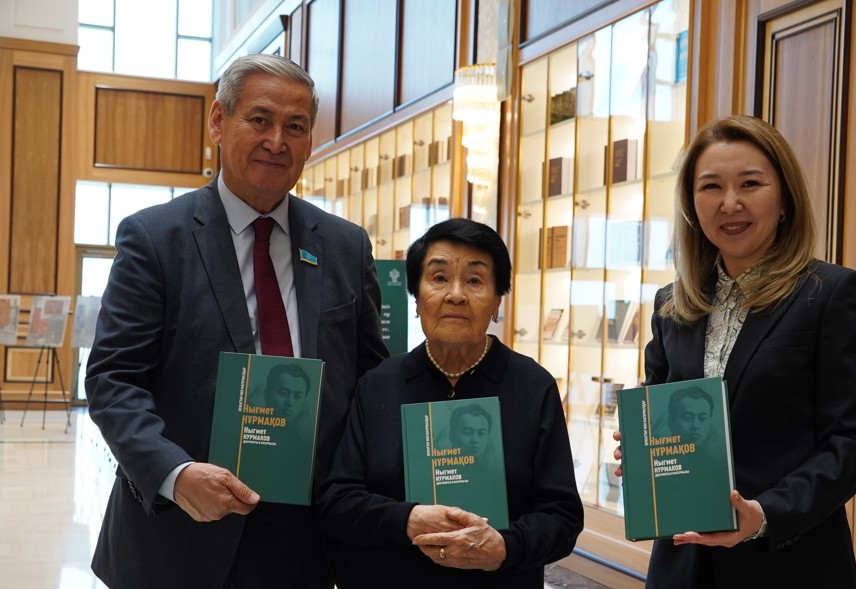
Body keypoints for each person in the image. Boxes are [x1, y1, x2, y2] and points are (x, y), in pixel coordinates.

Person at [85, 53, 388, 589]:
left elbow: (371, 382)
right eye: (260, 119)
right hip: (182, 531)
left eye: (295, 127)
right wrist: (175, 474)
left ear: (309, 142)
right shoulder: (155, 238)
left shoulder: (346, 246)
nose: (277, 141)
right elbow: (114, 379)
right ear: (219, 121)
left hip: (308, 538)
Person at [614, 115, 856, 588]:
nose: (730, 202)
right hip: (682, 561)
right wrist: (643, 451)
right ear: (691, 204)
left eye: (750, 183)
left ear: (784, 199)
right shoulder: (671, 305)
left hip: (789, 563)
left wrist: (764, 514)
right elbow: (660, 412)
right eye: (711, 186)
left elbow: (854, 442)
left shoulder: (831, 294)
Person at [319, 218, 584, 588]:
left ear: (497, 301)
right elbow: (337, 502)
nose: (455, 295)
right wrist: (407, 519)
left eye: (475, 281)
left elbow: (563, 517)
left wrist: (504, 547)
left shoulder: (532, 386)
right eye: (439, 278)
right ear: (416, 298)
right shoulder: (377, 385)